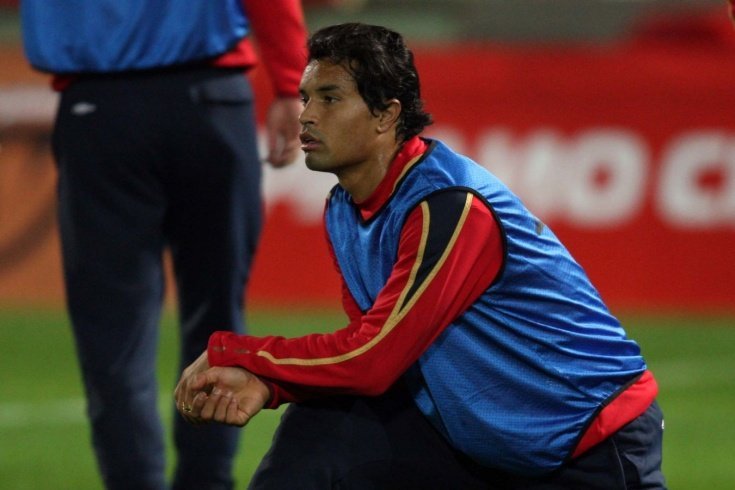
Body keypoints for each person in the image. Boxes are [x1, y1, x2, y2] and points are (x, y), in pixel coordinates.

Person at [175, 22, 667, 489]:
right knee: (323, 428)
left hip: (584, 440)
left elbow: (372, 360)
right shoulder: (344, 207)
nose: (306, 115)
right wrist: (273, 387)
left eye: (329, 98)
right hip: (479, 441)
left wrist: (237, 354)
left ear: (386, 115)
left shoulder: (447, 207)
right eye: (305, 97)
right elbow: (374, 358)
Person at [20, 2, 307, 489]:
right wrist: (289, 83)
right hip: (211, 101)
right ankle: (207, 481)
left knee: (113, 330)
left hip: (99, 109)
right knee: (217, 317)